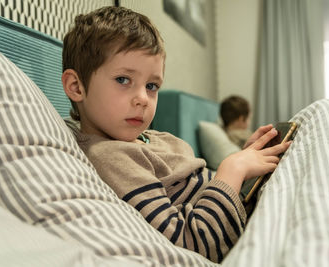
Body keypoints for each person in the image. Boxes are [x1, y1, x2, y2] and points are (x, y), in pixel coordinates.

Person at [62, 6, 290, 263]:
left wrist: (244, 161)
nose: (142, 99)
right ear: (76, 86)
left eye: (151, 86)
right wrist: (232, 170)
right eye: (123, 80)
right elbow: (195, 244)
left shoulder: (155, 138)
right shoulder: (111, 156)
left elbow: (207, 191)